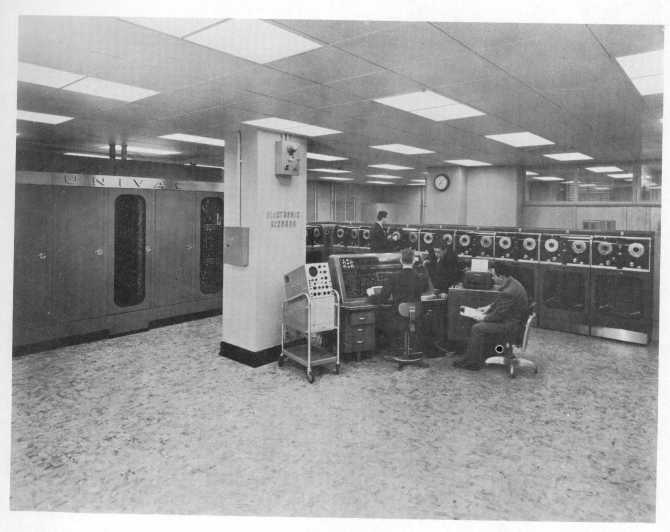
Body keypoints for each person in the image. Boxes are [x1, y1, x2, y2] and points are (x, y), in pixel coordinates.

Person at [454, 261, 529, 370]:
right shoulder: (512, 283)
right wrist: (488, 307)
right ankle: (480, 354)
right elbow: (501, 303)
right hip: (513, 321)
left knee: (477, 328)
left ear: (501, 276)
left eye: (494, 276)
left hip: (510, 326)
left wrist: (482, 317)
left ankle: (472, 363)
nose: (492, 278)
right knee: (479, 322)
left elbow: (498, 316)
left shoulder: (509, 291)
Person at [373, 248, 429, 351]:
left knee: (380, 315)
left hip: (398, 315)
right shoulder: (419, 277)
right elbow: (425, 289)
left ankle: (393, 348)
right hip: (416, 314)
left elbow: (383, 297)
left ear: (400, 261)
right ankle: (410, 348)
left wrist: (373, 295)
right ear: (414, 261)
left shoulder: (394, 277)